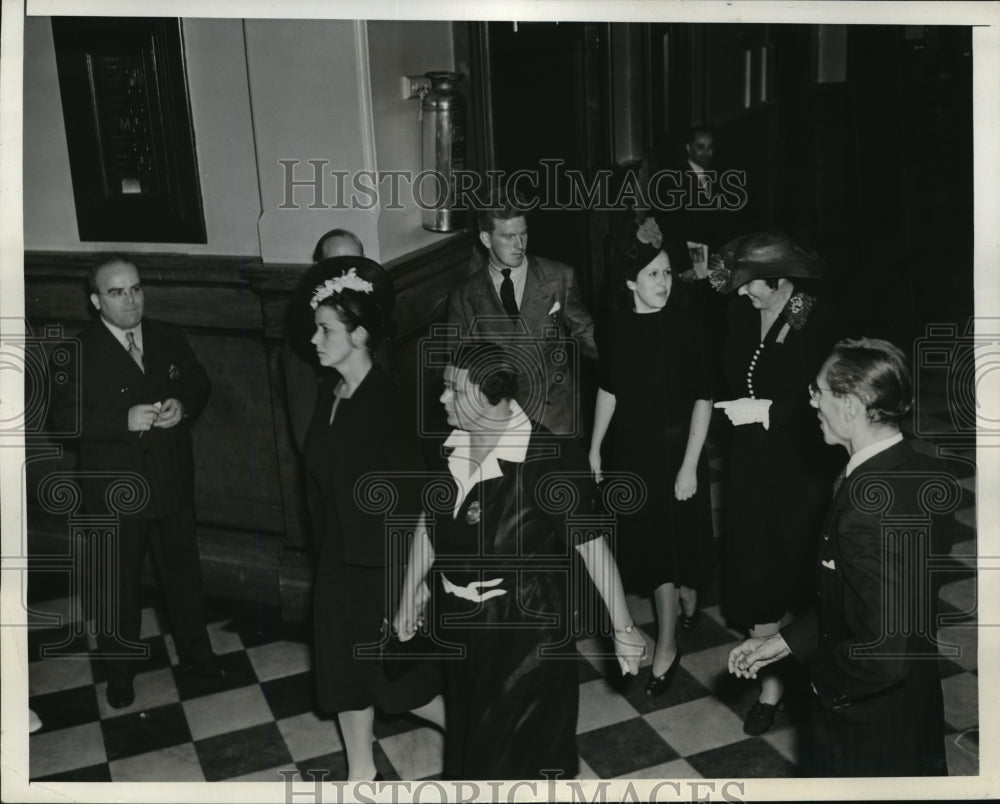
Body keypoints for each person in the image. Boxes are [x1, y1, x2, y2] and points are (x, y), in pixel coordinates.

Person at [394, 341, 644, 780]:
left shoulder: (549, 459)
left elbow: (592, 548)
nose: (442, 398)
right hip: (462, 629)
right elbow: (429, 522)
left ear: (489, 396)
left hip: (524, 639)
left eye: (454, 389)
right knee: (470, 754)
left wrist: (623, 629)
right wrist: (411, 591)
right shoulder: (448, 447)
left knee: (513, 764)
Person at [728, 338, 955, 776]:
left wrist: (815, 678)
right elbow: (869, 602)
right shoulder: (923, 474)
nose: (811, 401)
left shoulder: (865, 512)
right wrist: (783, 643)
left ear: (850, 407)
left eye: (818, 391)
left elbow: (884, 653)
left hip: (866, 730)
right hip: (913, 710)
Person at [50, 256, 221, 709]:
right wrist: (120, 420)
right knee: (116, 589)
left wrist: (183, 406)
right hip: (113, 493)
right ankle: (120, 676)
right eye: (116, 292)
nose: (130, 300)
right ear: (95, 301)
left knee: (183, 577)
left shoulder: (167, 334)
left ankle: (199, 660)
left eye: (136, 289)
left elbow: (199, 383)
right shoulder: (79, 350)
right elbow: (62, 418)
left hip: (170, 481)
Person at [301, 256, 444, 781]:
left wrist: (415, 587)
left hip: (385, 566)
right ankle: (361, 773)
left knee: (393, 679)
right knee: (342, 673)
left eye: (325, 330)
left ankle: (476, 732)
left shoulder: (388, 405)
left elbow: (422, 503)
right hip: (338, 559)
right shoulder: (328, 393)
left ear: (359, 334)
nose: (314, 340)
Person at [709, 231, 841, 735]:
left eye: (752, 286)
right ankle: (770, 686)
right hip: (749, 466)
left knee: (803, 572)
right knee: (755, 569)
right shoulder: (739, 313)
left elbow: (828, 392)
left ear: (781, 282)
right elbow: (729, 370)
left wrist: (776, 412)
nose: (744, 294)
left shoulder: (816, 316)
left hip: (801, 466)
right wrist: (745, 410)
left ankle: (813, 679)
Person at [588, 218, 715, 696]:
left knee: (679, 552)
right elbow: (609, 389)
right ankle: (669, 638)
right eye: (653, 275)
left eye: (666, 273)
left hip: (680, 450)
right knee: (658, 551)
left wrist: (688, 466)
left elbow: (704, 398)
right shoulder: (615, 326)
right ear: (630, 283)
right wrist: (596, 448)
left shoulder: (687, 326)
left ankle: (679, 616)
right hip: (634, 452)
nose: (663, 283)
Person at [447, 192, 597, 437]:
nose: (520, 245)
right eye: (508, 236)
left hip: (555, 418)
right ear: (486, 239)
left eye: (523, 233)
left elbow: (587, 334)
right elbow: (461, 368)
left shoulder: (559, 275)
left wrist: (623, 361)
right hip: (500, 421)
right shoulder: (465, 296)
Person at [284, 229, 366, 452]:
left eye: (354, 263)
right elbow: (307, 433)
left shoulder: (370, 317)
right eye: (336, 264)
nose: (347, 273)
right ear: (318, 268)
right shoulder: (303, 329)